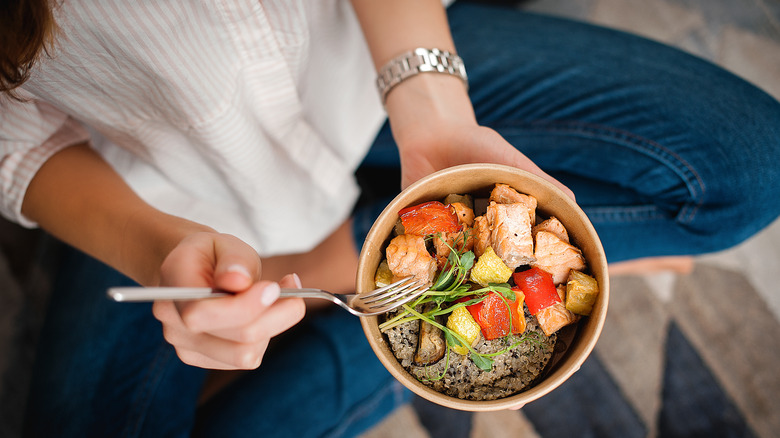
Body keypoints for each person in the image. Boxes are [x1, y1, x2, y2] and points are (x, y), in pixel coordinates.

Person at [2, 0, 779, 437]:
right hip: (160, 184)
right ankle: (392, 314)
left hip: (374, 68)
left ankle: (361, 288)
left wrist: (434, 109)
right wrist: (155, 249)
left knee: (753, 166)